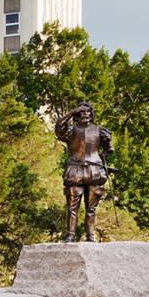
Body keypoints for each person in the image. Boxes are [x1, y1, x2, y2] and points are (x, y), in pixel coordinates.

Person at [55, 102, 113, 242]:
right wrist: (72, 111)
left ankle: (90, 236)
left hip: (94, 171)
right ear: (76, 115)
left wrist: (103, 158)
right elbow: (58, 128)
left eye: (87, 113)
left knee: (91, 208)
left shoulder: (99, 130)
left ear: (91, 115)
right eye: (81, 113)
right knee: (72, 207)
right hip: (75, 170)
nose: (85, 115)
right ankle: (70, 235)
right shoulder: (71, 130)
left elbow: (108, 148)